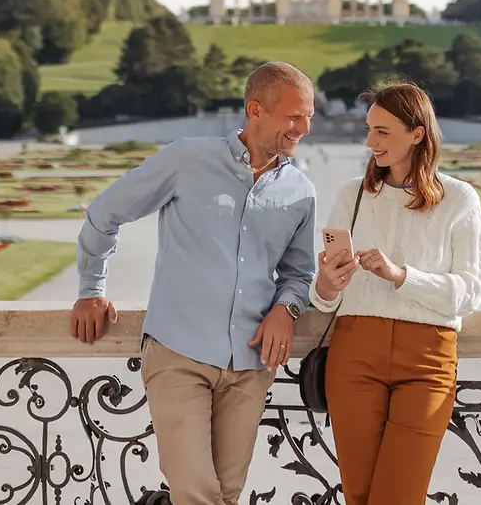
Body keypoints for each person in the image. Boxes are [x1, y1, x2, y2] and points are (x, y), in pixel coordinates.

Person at [69, 62, 319, 505]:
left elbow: (298, 275)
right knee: (195, 492)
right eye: (294, 116)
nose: (303, 127)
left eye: (309, 117)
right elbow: (106, 212)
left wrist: (288, 308)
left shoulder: (300, 191)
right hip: (179, 353)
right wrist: (91, 289)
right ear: (255, 109)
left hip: (250, 363)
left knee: (226, 494)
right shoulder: (187, 159)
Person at [311, 83, 481, 505]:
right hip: (353, 354)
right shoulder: (351, 194)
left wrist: (400, 274)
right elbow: (324, 300)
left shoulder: (459, 198)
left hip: (427, 361)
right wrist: (326, 284)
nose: (370, 142)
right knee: (359, 496)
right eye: (369, 130)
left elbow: (470, 292)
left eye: (383, 132)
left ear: (418, 134)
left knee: (399, 496)